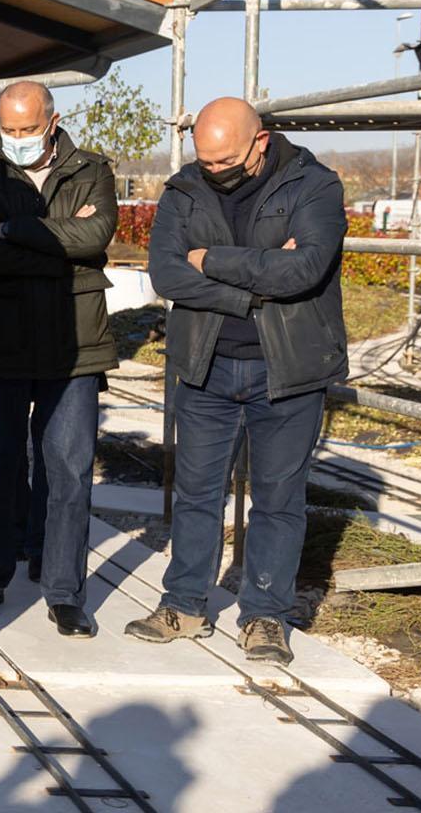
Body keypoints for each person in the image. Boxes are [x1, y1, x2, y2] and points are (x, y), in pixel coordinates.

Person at [132, 97, 346, 665]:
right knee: (197, 494)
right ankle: (184, 604)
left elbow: (305, 269)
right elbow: (166, 271)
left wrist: (211, 260)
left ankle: (265, 617)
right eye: (205, 160)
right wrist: (252, 286)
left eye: (225, 161)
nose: (214, 171)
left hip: (290, 368)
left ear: (260, 141)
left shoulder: (314, 185)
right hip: (205, 367)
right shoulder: (184, 188)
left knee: (278, 498)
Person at [0, 82, 117, 639]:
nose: (17, 139)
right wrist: (57, 247)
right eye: (9, 129)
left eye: (28, 129)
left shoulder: (92, 170)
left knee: (69, 471)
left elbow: (98, 234)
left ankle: (65, 592)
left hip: (74, 343)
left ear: (52, 122)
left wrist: (15, 231)